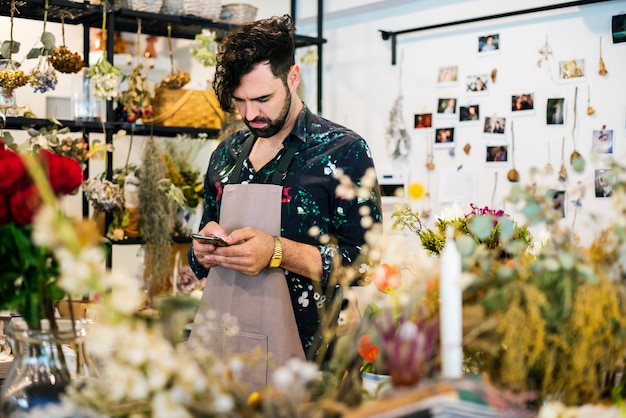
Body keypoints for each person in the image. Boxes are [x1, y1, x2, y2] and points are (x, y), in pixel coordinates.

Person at [186, 15, 383, 386]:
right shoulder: (226, 156)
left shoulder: (343, 151)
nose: (250, 114)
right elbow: (198, 253)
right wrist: (201, 252)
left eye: (262, 98)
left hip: (314, 368)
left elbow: (367, 263)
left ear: (292, 77)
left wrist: (278, 251)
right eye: (239, 101)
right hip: (229, 356)